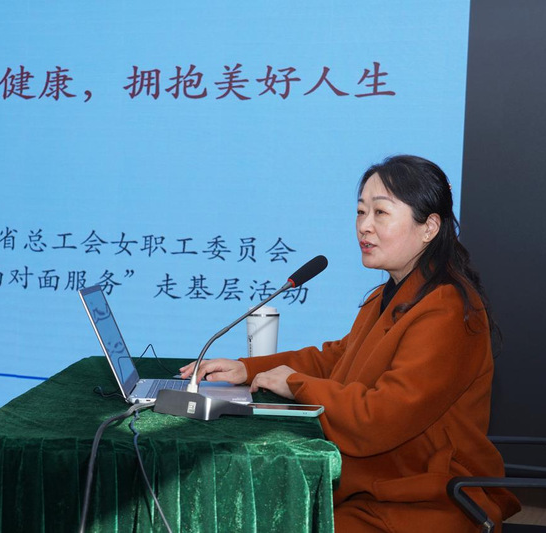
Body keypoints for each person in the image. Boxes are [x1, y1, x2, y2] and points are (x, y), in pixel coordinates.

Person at [180, 155, 521, 532]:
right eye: (360, 212)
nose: (364, 226)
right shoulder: (389, 295)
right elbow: (339, 358)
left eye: (381, 213)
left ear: (429, 227)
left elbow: (381, 418)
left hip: (427, 501)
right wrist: (248, 369)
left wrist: (295, 384)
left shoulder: (448, 309)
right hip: (378, 485)